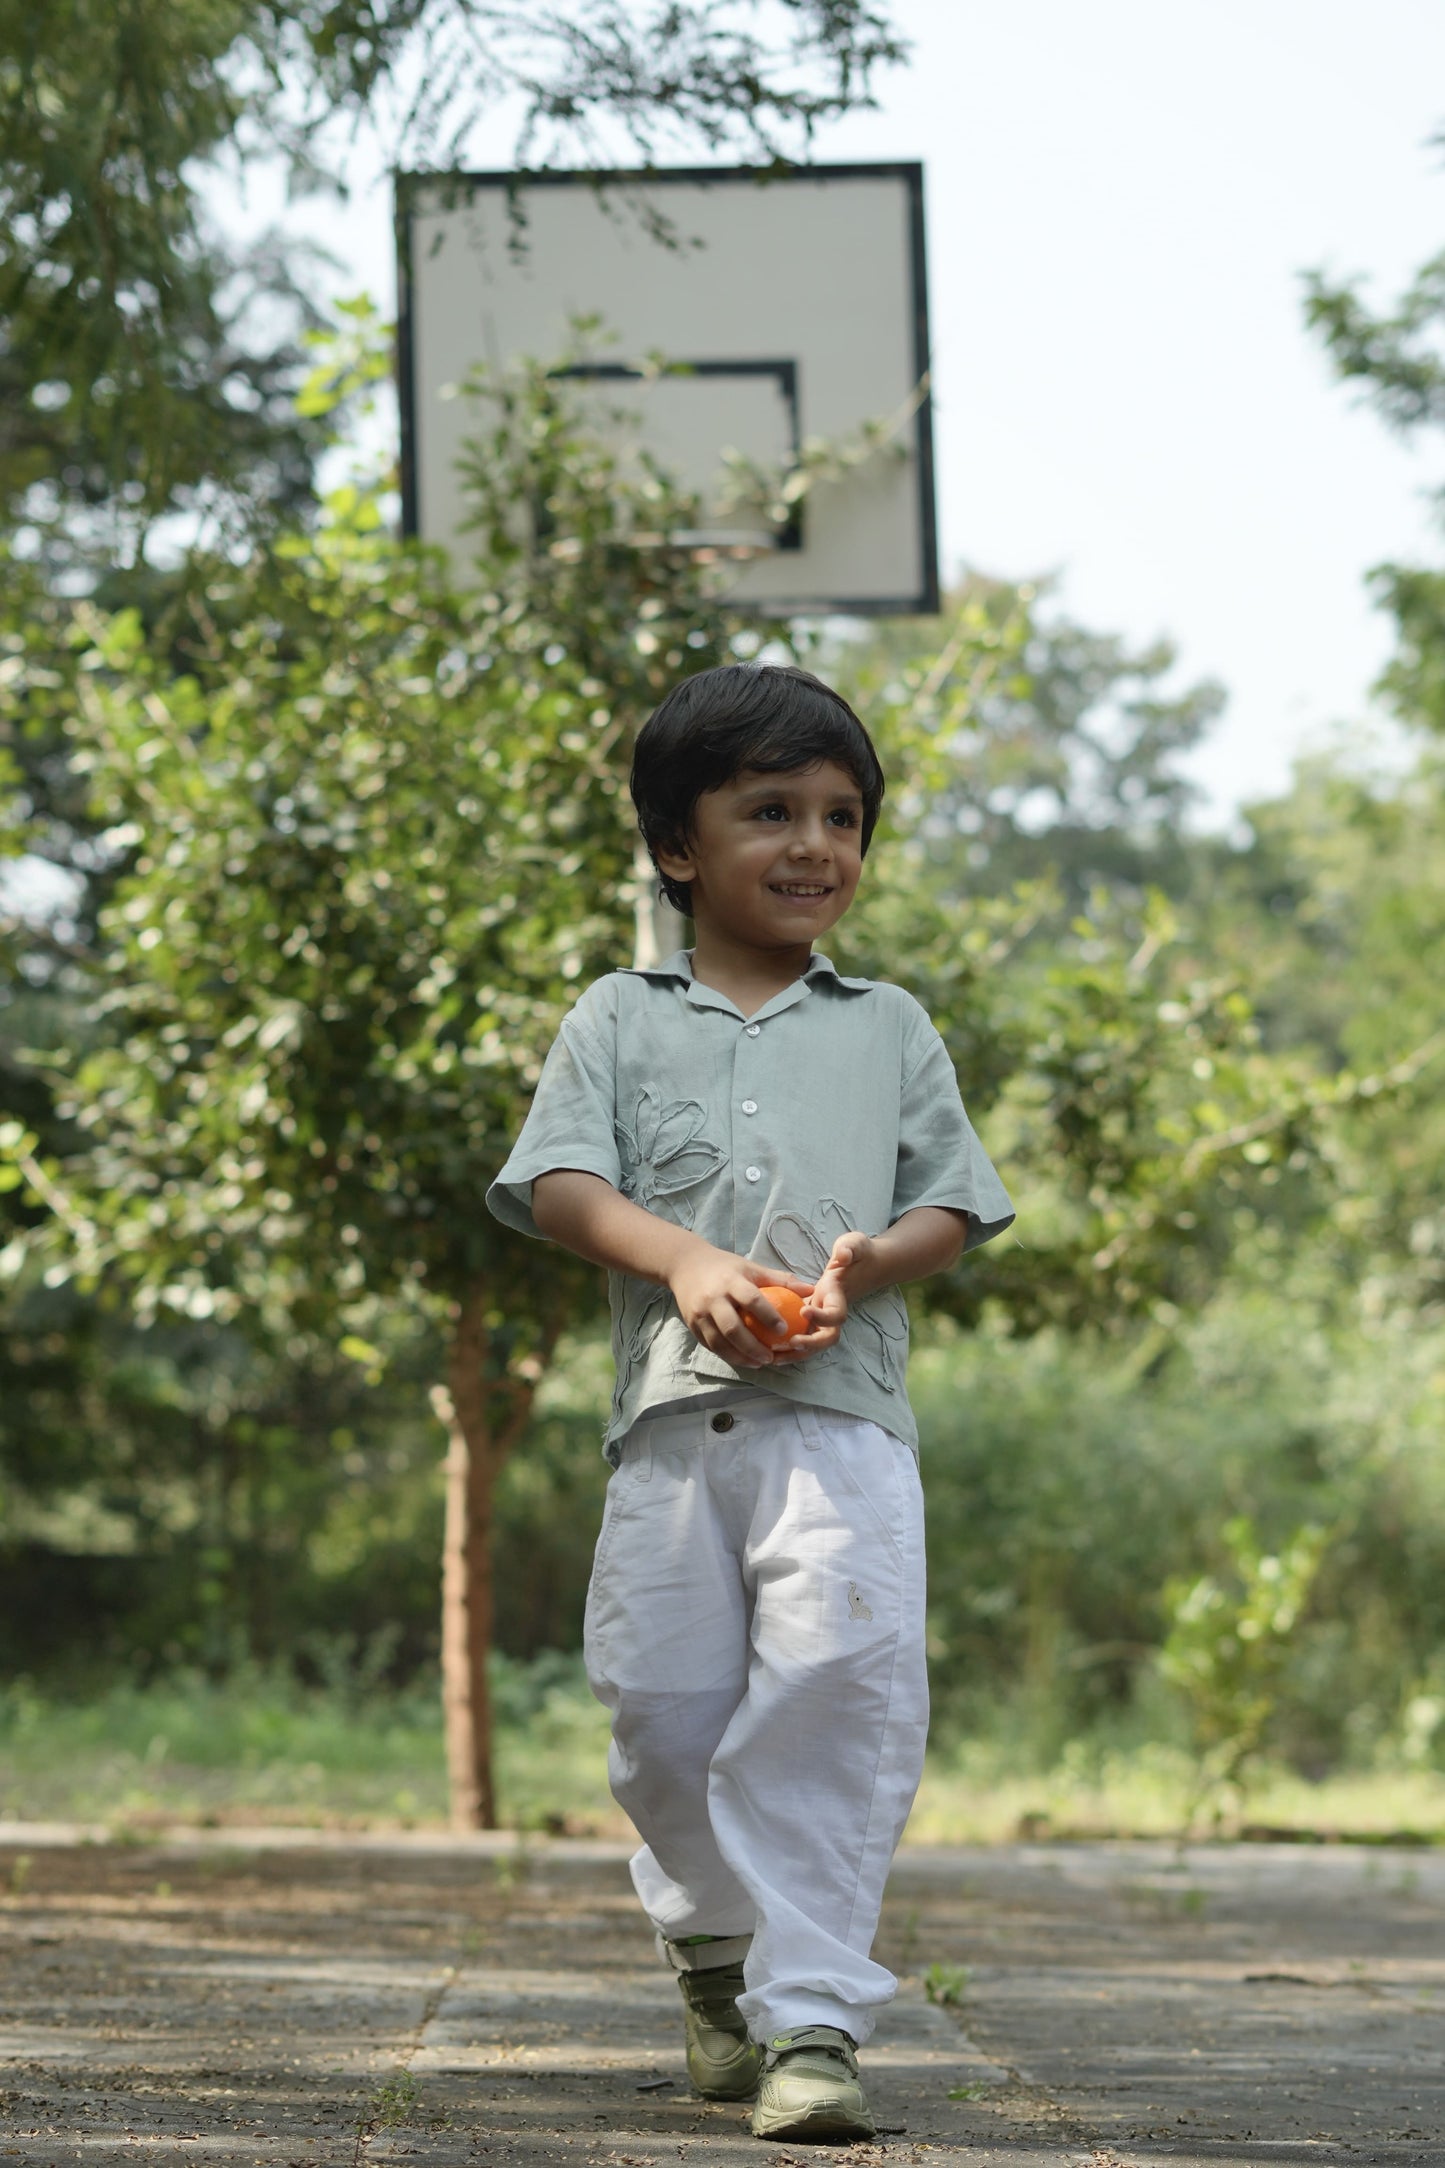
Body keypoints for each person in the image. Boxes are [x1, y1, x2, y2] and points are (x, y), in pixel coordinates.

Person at [486, 662, 1014, 2144]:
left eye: (841, 818)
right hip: (669, 1435)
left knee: (835, 1704)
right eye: (768, 810)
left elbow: (953, 1207)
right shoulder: (616, 1013)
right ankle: (712, 1956)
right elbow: (560, 1184)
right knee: (661, 1719)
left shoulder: (889, 1023)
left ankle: (814, 2026)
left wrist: (866, 1267)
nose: (813, 846)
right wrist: (688, 1259)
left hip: (843, 1429)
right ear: (676, 847)